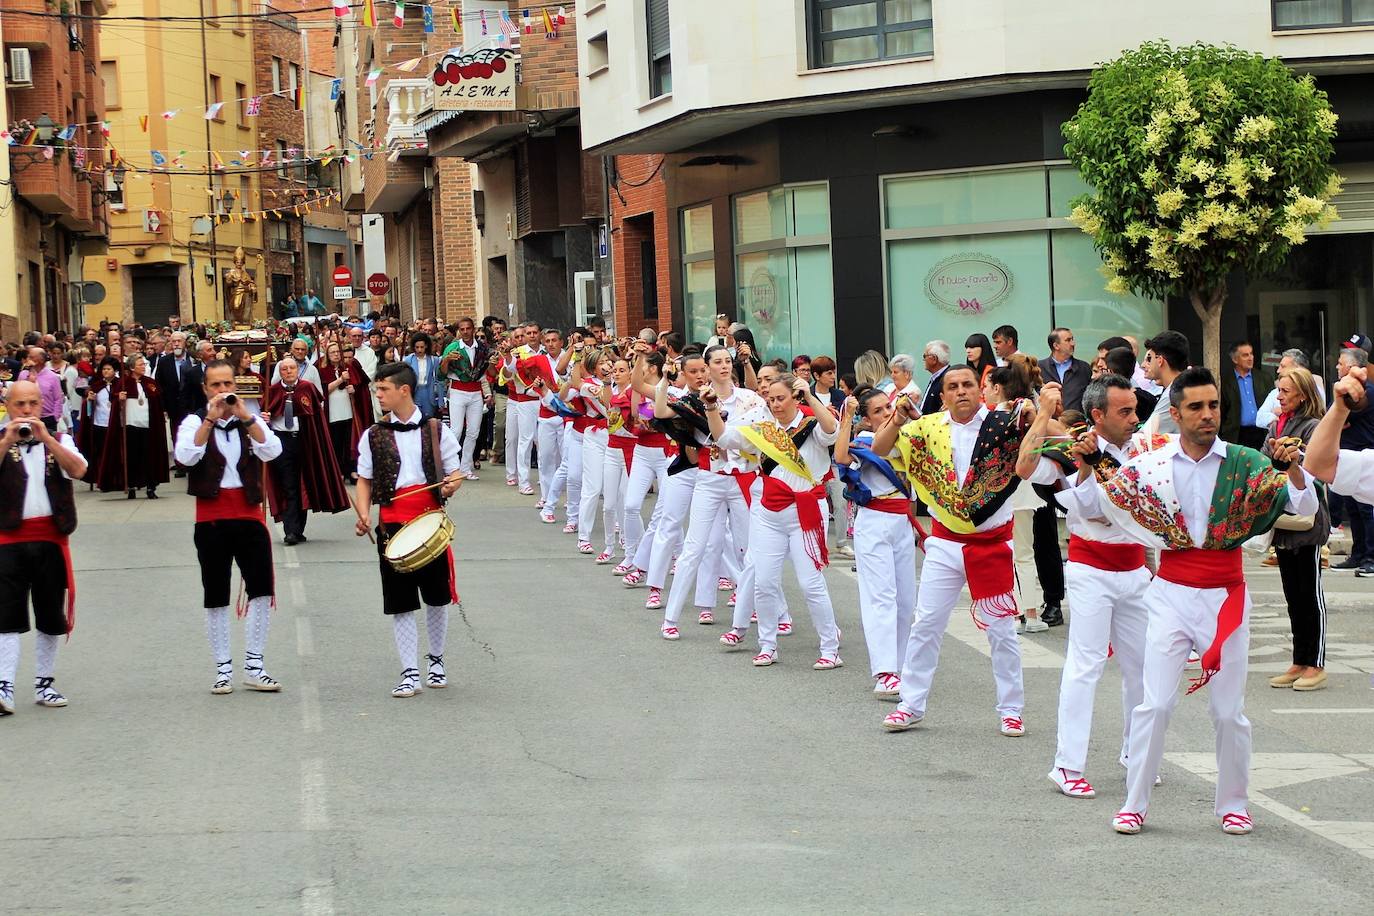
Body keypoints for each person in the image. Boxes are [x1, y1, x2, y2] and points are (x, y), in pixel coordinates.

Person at [1092, 367, 1316, 836]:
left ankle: (1233, 803)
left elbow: (1305, 506)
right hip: (1170, 594)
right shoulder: (1152, 464)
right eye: (1195, 407)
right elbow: (1110, 497)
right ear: (1175, 414)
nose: (1207, 415)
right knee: (1154, 705)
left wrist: (1291, 466)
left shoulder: (1245, 461)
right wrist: (1087, 463)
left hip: (1226, 596)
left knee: (1227, 710)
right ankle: (1135, 803)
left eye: (1213, 405)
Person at [870, 364, 1034, 736]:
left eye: (967, 385)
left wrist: (1035, 414)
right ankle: (911, 703)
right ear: (942, 395)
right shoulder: (927, 427)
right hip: (944, 542)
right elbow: (879, 448)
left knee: (1001, 629)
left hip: (992, 542)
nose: (960, 391)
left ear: (980, 390)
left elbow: (1042, 444)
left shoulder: (1004, 424)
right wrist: (897, 419)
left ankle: (1011, 709)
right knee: (926, 623)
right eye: (952, 386)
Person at [1016, 375, 1152, 800]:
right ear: (1098, 415)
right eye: (1124, 412)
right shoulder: (1070, 452)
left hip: (1136, 572)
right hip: (1091, 571)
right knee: (1085, 666)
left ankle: (1136, 752)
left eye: (1134, 410)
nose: (1133, 419)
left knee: (1142, 669)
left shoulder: (1147, 448)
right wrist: (1043, 415)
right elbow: (1023, 467)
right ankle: (1067, 764)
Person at [707, 372, 843, 668]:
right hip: (770, 512)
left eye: (781, 398)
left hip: (806, 510)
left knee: (810, 583)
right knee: (765, 582)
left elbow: (832, 430)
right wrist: (710, 408)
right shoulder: (761, 428)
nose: (775, 403)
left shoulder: (811, 424)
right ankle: (767, 645)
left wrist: (810, 396)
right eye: (771, 398)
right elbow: (725, 438)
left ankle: (830, 646)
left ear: (795, 397)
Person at [353, 362, 464, 699]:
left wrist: (449, 487)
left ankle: (436, 660)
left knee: (436, 598)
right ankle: (409, 671)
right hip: (392, 526)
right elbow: (364, 479)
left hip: (429, 523)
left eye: (383, 389)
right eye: (377, 390)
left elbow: (456, 473)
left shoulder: (435, 429)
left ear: (404, 390)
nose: (378, 395)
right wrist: (362, 513)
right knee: (400, 602)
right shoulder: (372, 434)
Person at [174, 360, 285, 694]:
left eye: (227, 384)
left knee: (262, 591)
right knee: (216, 594)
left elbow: (272, 450)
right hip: (211, 517)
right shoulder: (194, 421)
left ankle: (255, 664)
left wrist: (247, 417)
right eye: (216, 386)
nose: (223, 391)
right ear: (205, 389)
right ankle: (223, 667)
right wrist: (210, 419)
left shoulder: (248, 419)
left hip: (249, 515)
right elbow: (185, 457)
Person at [662, 346, 766, 639]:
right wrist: (663, 380)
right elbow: (660, 411)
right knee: (695, 546)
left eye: (727, 361)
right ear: (706, 367)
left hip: (744, 478)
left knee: (750, 547)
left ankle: (764, 611)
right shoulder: (694, 399)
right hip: (710, 477)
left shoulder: (750, 399)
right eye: (717, 362)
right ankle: (671, 618)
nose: (723, 366)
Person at [0, 381, 87, 715]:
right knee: (7, 614)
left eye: (33, 403)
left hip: (50, 537)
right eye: (20, 404)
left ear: (43, 406)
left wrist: (48, 439)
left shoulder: (60, 439)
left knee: (51, 614)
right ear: (8, 406)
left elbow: (79, 470)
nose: (27, 410)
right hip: (8, 538)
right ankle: (4, 685)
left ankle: (44, 683)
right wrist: (8, 439)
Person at [834, 388, 917, 696]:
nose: (886, 413)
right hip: (874, 522)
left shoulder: (909, 435)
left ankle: (902, 664)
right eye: (879, 410)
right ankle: (885, 671)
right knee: (880, 596)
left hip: (901, 523)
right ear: (867, 419)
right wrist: (845, 419)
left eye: (888, 407)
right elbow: (841, 457)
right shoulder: (866, 442)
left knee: (906, 600)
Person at [1262, 367, 1329, 692]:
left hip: (1308, 520)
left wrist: (1294, 459)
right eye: (1279, 389)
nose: (1280, 394)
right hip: (1283, 520)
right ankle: (1299, 660)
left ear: (1302, 395)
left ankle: (1315, 663)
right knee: (1292, 596)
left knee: (1310, 596)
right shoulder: (1276, 425)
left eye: (1286, 390)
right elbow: (1264, 462)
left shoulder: (1314, 427)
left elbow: (1316, 470)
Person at [984, 362, 1050, 633]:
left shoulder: (993, 418)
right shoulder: (1027, 411)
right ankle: (1030, 612)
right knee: (1024, 551)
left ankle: (1016, 611)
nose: (984, 392)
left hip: (1003, 490)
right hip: (1022, 488)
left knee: (1010, 552)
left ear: (998, 388)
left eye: (986, 387)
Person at [261, 357, 350, 546]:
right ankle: (290, 531)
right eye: (284, 369)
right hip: (282, 442)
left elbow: (317, 414)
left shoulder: (307, 388)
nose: (288, 372)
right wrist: (266, 418)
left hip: (305, 440)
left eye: (292, 368)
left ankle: (298, 529)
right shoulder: (273, 391)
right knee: (289, 485)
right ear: (280, 372)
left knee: (304, 483)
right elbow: (265, 415)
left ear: (297, 370)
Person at [1323, 348, 1374, 575]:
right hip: (1347, 457)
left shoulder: (1366, 392)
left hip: (1365, 457)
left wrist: (1338, 416)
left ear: (1353, 367)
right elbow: (1333, 418)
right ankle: (1358, 554)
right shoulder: (1346, 394)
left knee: (1366, 511)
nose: (1337, 367)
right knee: (1352, 510)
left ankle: (1371, 558)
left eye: (1341, 363)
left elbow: (1341, 415)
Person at [112, 354, 170, 500]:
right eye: (140, 365)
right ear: (132, 367)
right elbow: (114, 399)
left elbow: (158, 401)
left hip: (148, 425)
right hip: (130, 424)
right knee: (132, 457)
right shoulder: (124, 383)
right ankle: (131, 485)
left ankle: (151, 486)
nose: (143, 367)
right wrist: (119, 398)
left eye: (144, 364)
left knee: (149, 456)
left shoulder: (150, 382)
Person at [440, 317, 491, 480]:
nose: (465, 332)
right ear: (458, 331)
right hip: (458, 391)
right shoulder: (453, 347)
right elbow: (441, 373)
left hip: (476, 391)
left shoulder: (482, 347)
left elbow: (488, 370)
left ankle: (465, 467)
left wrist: (492, 363)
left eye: (468, 328)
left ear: (473, 329)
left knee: (473, 432)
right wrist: (447, 359)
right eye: (462, 329)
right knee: (456, 430)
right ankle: (450, 467)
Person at [1219, 340, 1273, 450]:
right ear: (1235, 359)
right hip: (1237, 434)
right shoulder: (1225, 381)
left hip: (1262, 432)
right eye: (1245, 355)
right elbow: (1221, 410)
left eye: (1251, 354)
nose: (1250, 358)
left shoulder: (1264, 378)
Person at [1141, 330, 1188, 434]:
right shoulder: (1183, 386)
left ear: (1160, 360)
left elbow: (1146, 435)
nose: (1143, 365)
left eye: (1150, 358)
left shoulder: (1172, 394)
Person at [1039, 328, 1091, 413]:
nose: (1073, 343)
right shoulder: (1040, 368)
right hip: (1049, 422)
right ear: (1056, 346)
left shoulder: (1084, 368)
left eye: (1072, 339)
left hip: (1077, 423)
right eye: (1068, 340)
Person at [18, 347, 64, 433]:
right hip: (27, 417)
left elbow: (58, 398)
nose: (28, 359)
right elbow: (18, 394)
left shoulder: (52, 377)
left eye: (31, 357)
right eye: (28, 357)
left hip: (47, 418)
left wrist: (55, 417)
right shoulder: (23, 374)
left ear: (41, 360)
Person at [403, 333, 443, 420]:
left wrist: (440, 401)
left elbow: (438, 380)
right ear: (413, 347)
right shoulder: (408, 360)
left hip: (429, 393)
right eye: (417, 347)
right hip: (414, 393)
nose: (419, 350)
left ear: (426, 346)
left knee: (428, 420)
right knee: (414, 419)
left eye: (422, 347)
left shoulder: (434, 360)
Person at [920, 341, 951, 416]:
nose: (923, 360)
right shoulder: (935, 378)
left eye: (925, 356)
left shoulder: (948, 379)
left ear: (934, 359)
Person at [964, 334, 997, 403]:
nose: (968, 351)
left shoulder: (991, 372)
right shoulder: (968, 372)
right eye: (967, 347)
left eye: (972, 347)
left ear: (983, 348)